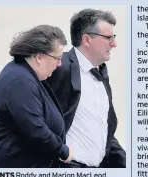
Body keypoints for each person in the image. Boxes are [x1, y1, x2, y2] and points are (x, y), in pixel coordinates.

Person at [0, 26, 72, 168]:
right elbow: (36, 130)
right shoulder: (20, 80)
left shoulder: (23, 74)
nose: (59, 64)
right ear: (40, 57)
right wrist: (63, 152)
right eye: (57, 58)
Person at [45, 9, 126, 168]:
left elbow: (102, 130)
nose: (114, 44)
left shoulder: (101, 74)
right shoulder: (59, 68)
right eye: (108, 38)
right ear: (87, 39)